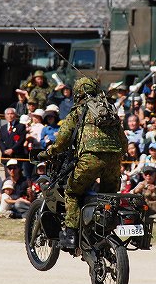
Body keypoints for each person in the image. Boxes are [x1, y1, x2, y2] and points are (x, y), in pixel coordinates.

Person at [37, 77, 127, 248]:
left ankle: (71, 235)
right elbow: (124, 141)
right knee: (108, 196)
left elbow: (62, 140)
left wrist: (49, 152)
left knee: (72, 192)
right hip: (114, 159)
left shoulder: (78, 111)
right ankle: (104, 230)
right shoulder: (109, 111)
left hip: (89, 159)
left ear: (78, 92)